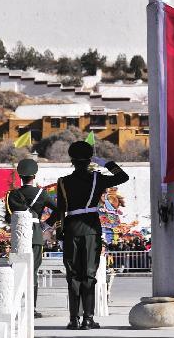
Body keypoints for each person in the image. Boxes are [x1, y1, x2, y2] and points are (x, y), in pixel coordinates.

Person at [56, 140, 129, 330]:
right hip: (91, 229)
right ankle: (88, 319)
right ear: (89, 160)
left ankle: (73, 319)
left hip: (71, 229)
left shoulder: (63, 182)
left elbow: (60, 211)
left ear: (72, 160)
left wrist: (59, 233)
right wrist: (105, 163)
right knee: (89, 275)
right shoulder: (98, 178)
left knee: (73, 276)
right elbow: (124, 176)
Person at [5, 158, 59, 318]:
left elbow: (9, 218)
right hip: (36, 235)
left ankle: (16, 305)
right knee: (33, 271)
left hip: (19, 235)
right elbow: (58, 210)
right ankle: (31, 308)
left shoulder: (12, 195)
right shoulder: (41, 194)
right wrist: (45, 224)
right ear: (34, 175)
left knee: (17, 270)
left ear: (20, 176)